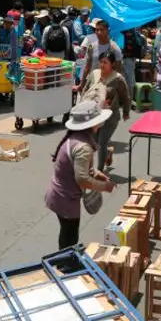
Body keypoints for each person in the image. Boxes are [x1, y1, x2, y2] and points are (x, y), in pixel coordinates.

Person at [45, 100, 116, 250]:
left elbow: (79, 167)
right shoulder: (83, 146)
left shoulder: (76, 138)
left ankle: (64, 260)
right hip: (65, 198)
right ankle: (65, 265)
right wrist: (104, 186)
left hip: (59, 194)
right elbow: (82, 179)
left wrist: (96, 173)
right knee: (70, 236)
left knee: (67, 232)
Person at [79, 50, 131, 171]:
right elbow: (86, 90)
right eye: (101, 62)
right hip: (94, 115)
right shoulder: (94, 74)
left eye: (105, 62)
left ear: (112, 64)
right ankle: (108, 152)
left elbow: (125, 96)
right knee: (94, 143)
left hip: (110, 117)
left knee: (101, 143)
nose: (102, 65)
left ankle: (99, 171)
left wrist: (126, 112)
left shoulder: (118, 79)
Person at [77, 20, 122, 92]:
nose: (98, 32)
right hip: (93, 83)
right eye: (97, 30)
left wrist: (117, 88)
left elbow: (119, 70)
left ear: (108, 31)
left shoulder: (115, 48)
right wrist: (82, 84)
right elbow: (87, 66)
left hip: (107, 86)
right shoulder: (91, 46)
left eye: (101, 30)